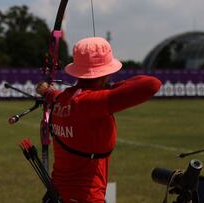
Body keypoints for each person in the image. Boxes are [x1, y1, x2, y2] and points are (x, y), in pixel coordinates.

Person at [36, 37, 162, 203]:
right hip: (86, 197)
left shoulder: (63, 98)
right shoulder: (92, 102)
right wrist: (110, 86)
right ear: (107, 72)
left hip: (56, 195)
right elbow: (152, 84)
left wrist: (47, 93)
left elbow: (55, 95)